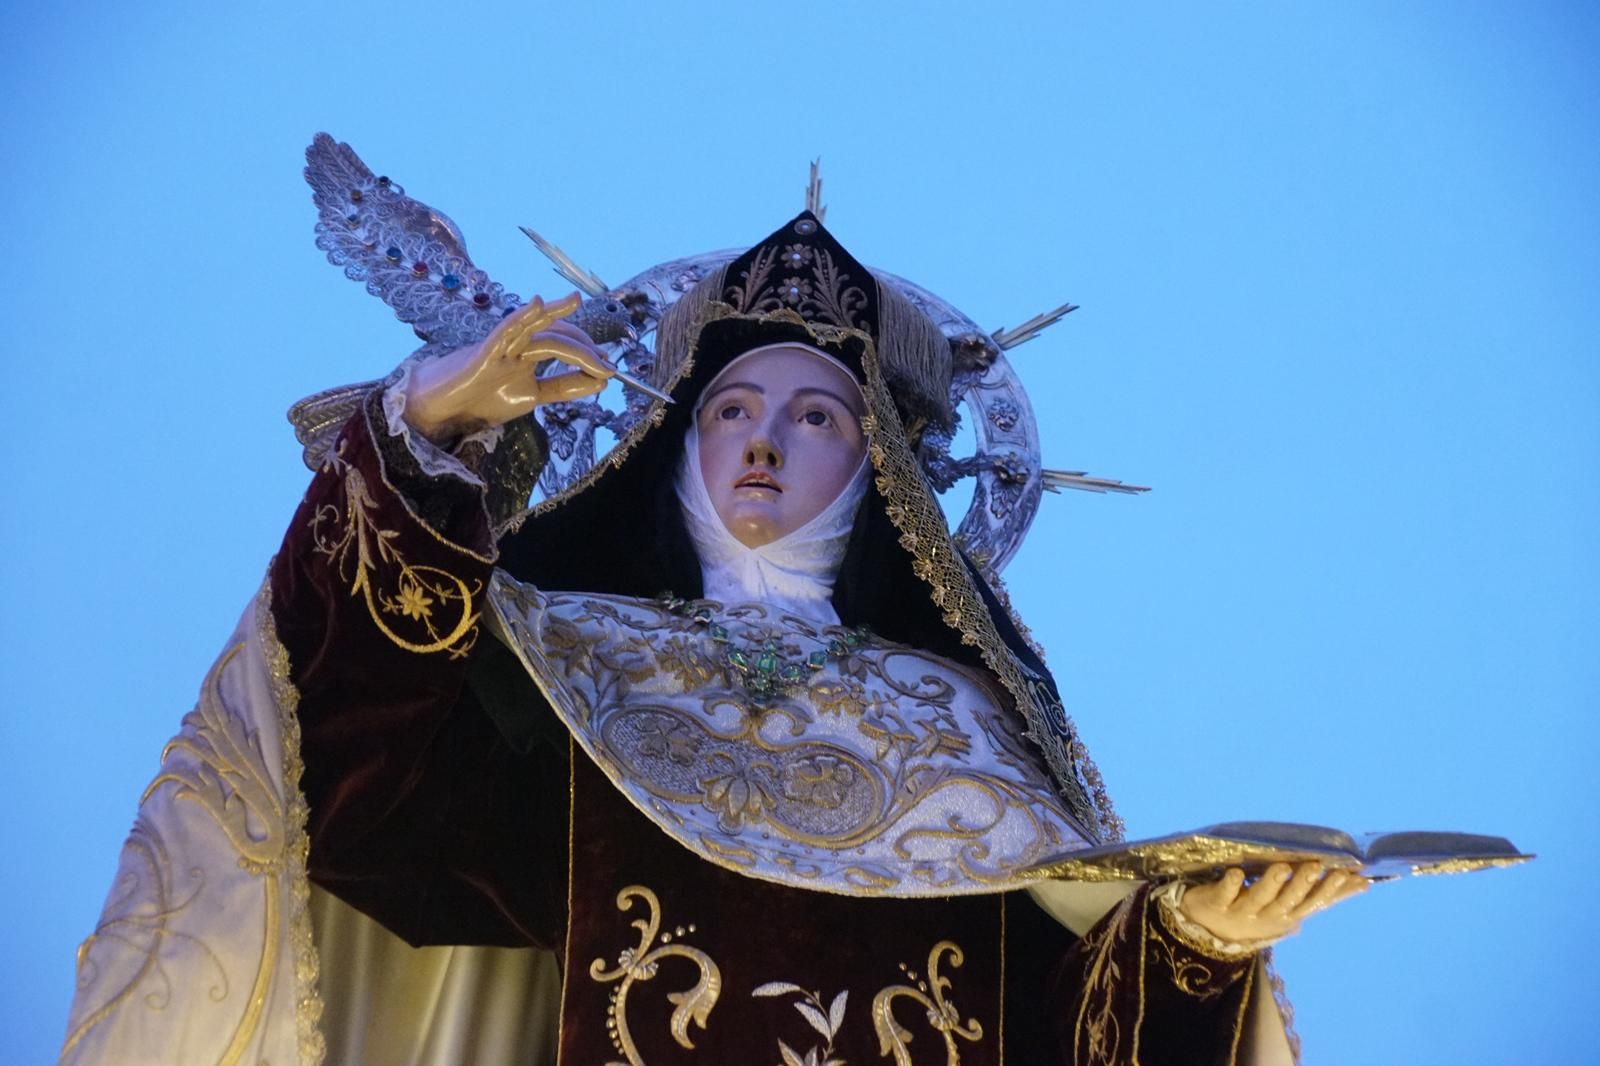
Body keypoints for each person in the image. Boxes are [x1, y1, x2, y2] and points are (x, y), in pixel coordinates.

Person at [59, 206, 1363, 1065]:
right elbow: (359, 802)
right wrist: (428, 437)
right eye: (730, 405)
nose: (762, 439)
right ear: (674, 444)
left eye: (816, 417)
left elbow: (1064, 1026)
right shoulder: (578, 671)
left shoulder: (963, 721)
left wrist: (1199, 947)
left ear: (879, 475)